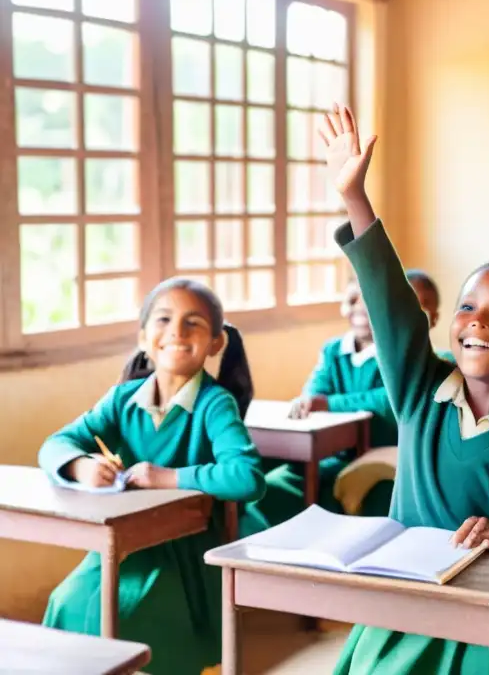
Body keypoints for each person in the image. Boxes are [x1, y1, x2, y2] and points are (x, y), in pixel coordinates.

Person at [323, 104, 489, 674]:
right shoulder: (422, 390)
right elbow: (393, 308)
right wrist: (356, 200)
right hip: (405, 616)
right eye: (468, 307)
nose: (477, 322)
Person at [39, 278, 266, 675]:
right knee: (68, 600)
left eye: (193, 323)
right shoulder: (122, 399)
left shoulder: (215, 403)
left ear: (215, 343)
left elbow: (247, 477)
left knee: (130, 613)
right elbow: (56, 444)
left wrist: (168, 478)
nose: (177, 332)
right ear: (144, 338)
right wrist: (81, 465)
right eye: (163, 320)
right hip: (123, 543)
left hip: (187, 549)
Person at [260, 279, 397, 524]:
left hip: (376, 447)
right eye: (352, 301)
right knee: (270, 484)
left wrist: (328, 404)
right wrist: (311, 401)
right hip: (328, 450)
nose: (360, 309)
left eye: (369, 302)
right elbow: (314, 390)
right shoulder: (333, 349)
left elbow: (387, 400)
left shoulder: (394, 352)